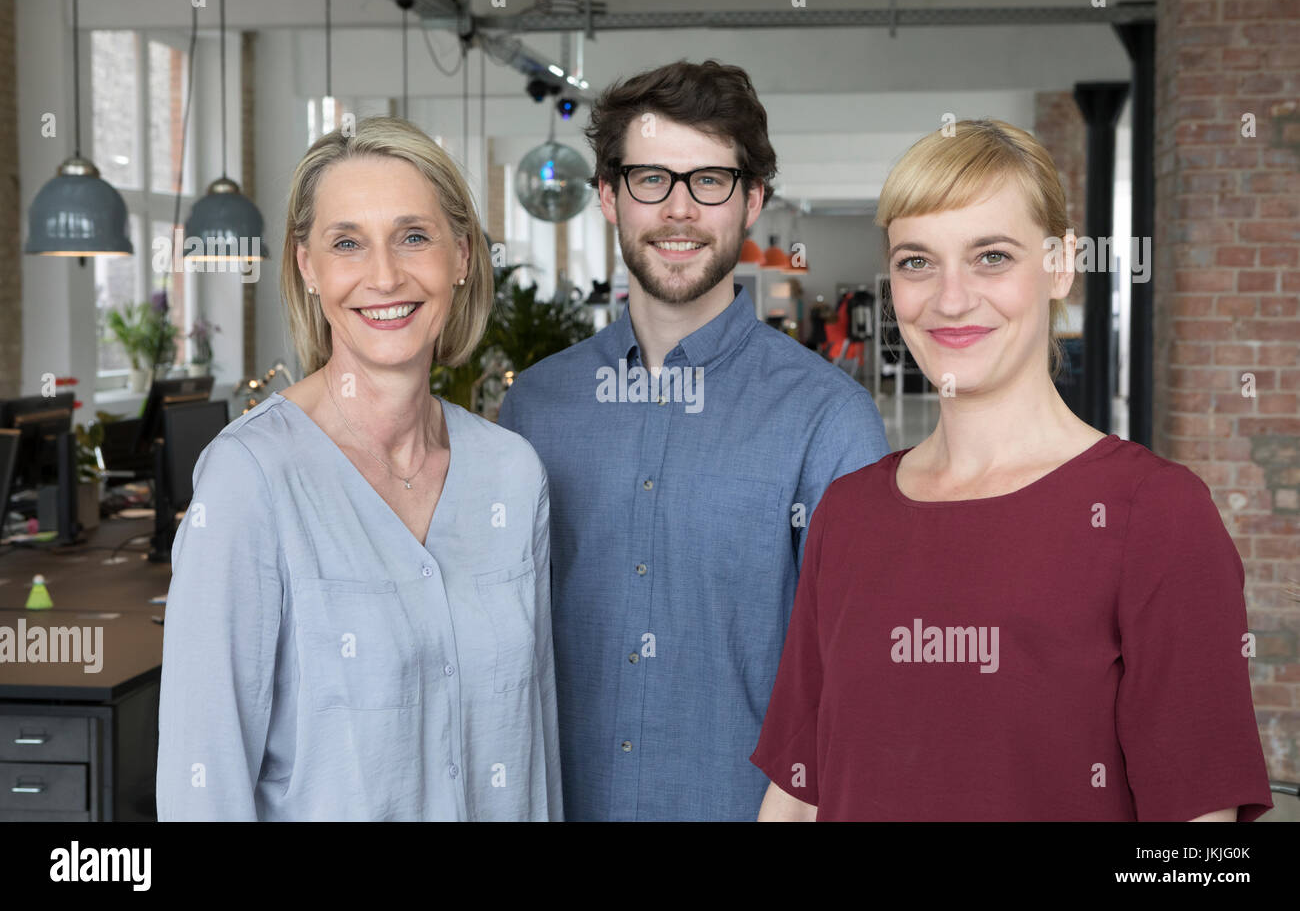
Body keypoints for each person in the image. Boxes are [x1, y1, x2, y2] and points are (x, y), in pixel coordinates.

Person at [752, 119, 1274, 821]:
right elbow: (798, 788)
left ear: (1060, 265)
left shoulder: (1154, 514)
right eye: (917, 261)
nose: (951, 297)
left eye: (991, 256)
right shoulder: (848, 513)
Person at [498, 60, 890, 821]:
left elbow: (860, 681)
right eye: (652, 179)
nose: (679, 210)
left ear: (751, 200)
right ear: (609, 196)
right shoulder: (536, 410)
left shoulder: (829, 420)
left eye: (708, 180)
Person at [156, 116, 561, 821]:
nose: (384, 276)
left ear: (461, 256)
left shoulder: (512, 475)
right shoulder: (251, 480)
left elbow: (536, 749)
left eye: (413, 236)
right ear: (308, 266)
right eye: (347, 242)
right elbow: (204, 789)